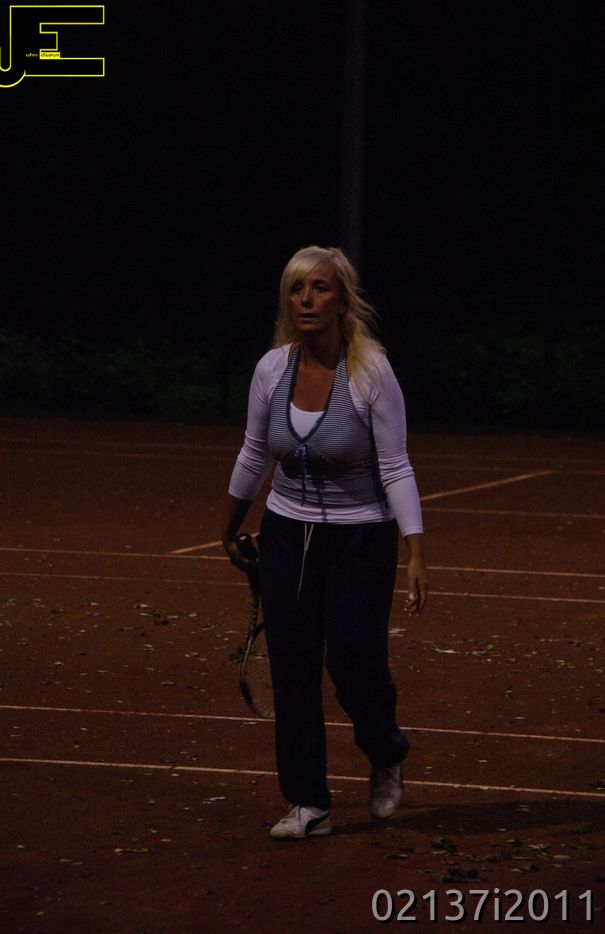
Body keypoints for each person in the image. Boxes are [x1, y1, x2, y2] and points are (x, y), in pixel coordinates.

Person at [221, 245, 428, 839]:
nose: (306, 299)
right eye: (296, 289)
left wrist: (414, 549)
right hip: (287, 535)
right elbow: (255, 453)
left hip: (361, 536)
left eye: (319, 288)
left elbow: (395, 465)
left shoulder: (371, 371)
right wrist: (229, 526)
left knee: (356, 668)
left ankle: (385, 750)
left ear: (342, 301)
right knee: (292, 671)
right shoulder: (271, 369)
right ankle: (308, 802)